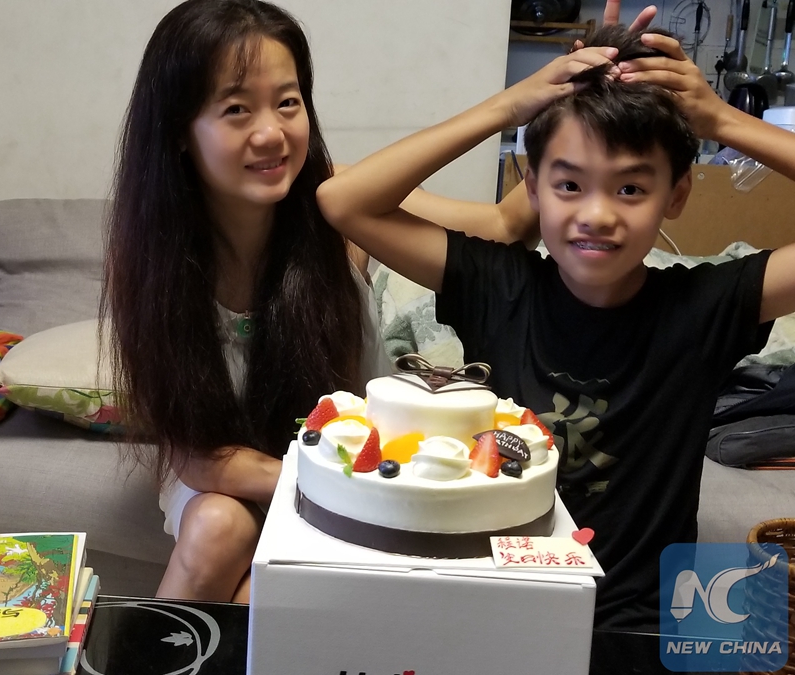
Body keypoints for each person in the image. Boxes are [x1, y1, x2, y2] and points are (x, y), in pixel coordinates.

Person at [103, 0, 594, 603]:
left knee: (258, 600)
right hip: (250, 480)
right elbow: (199, 459)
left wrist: (541, 103)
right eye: (236, 109)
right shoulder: (152, 261)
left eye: (288, 103)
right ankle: (144, 645)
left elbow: (503, 226)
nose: (271, 133)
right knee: (217, 528)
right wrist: (350, 483)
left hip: (362, 478)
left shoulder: (337, 206)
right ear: (179, 129)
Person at [315, 25, 795, 635]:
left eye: (630, 188)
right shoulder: (498, 286)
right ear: (534, 189)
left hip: (638, 627)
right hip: (502, 606)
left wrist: (722, 120)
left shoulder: (707, 306)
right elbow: (343, 201)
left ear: (676, 196)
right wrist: (507, 107)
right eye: (569, 184)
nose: (596, 214)